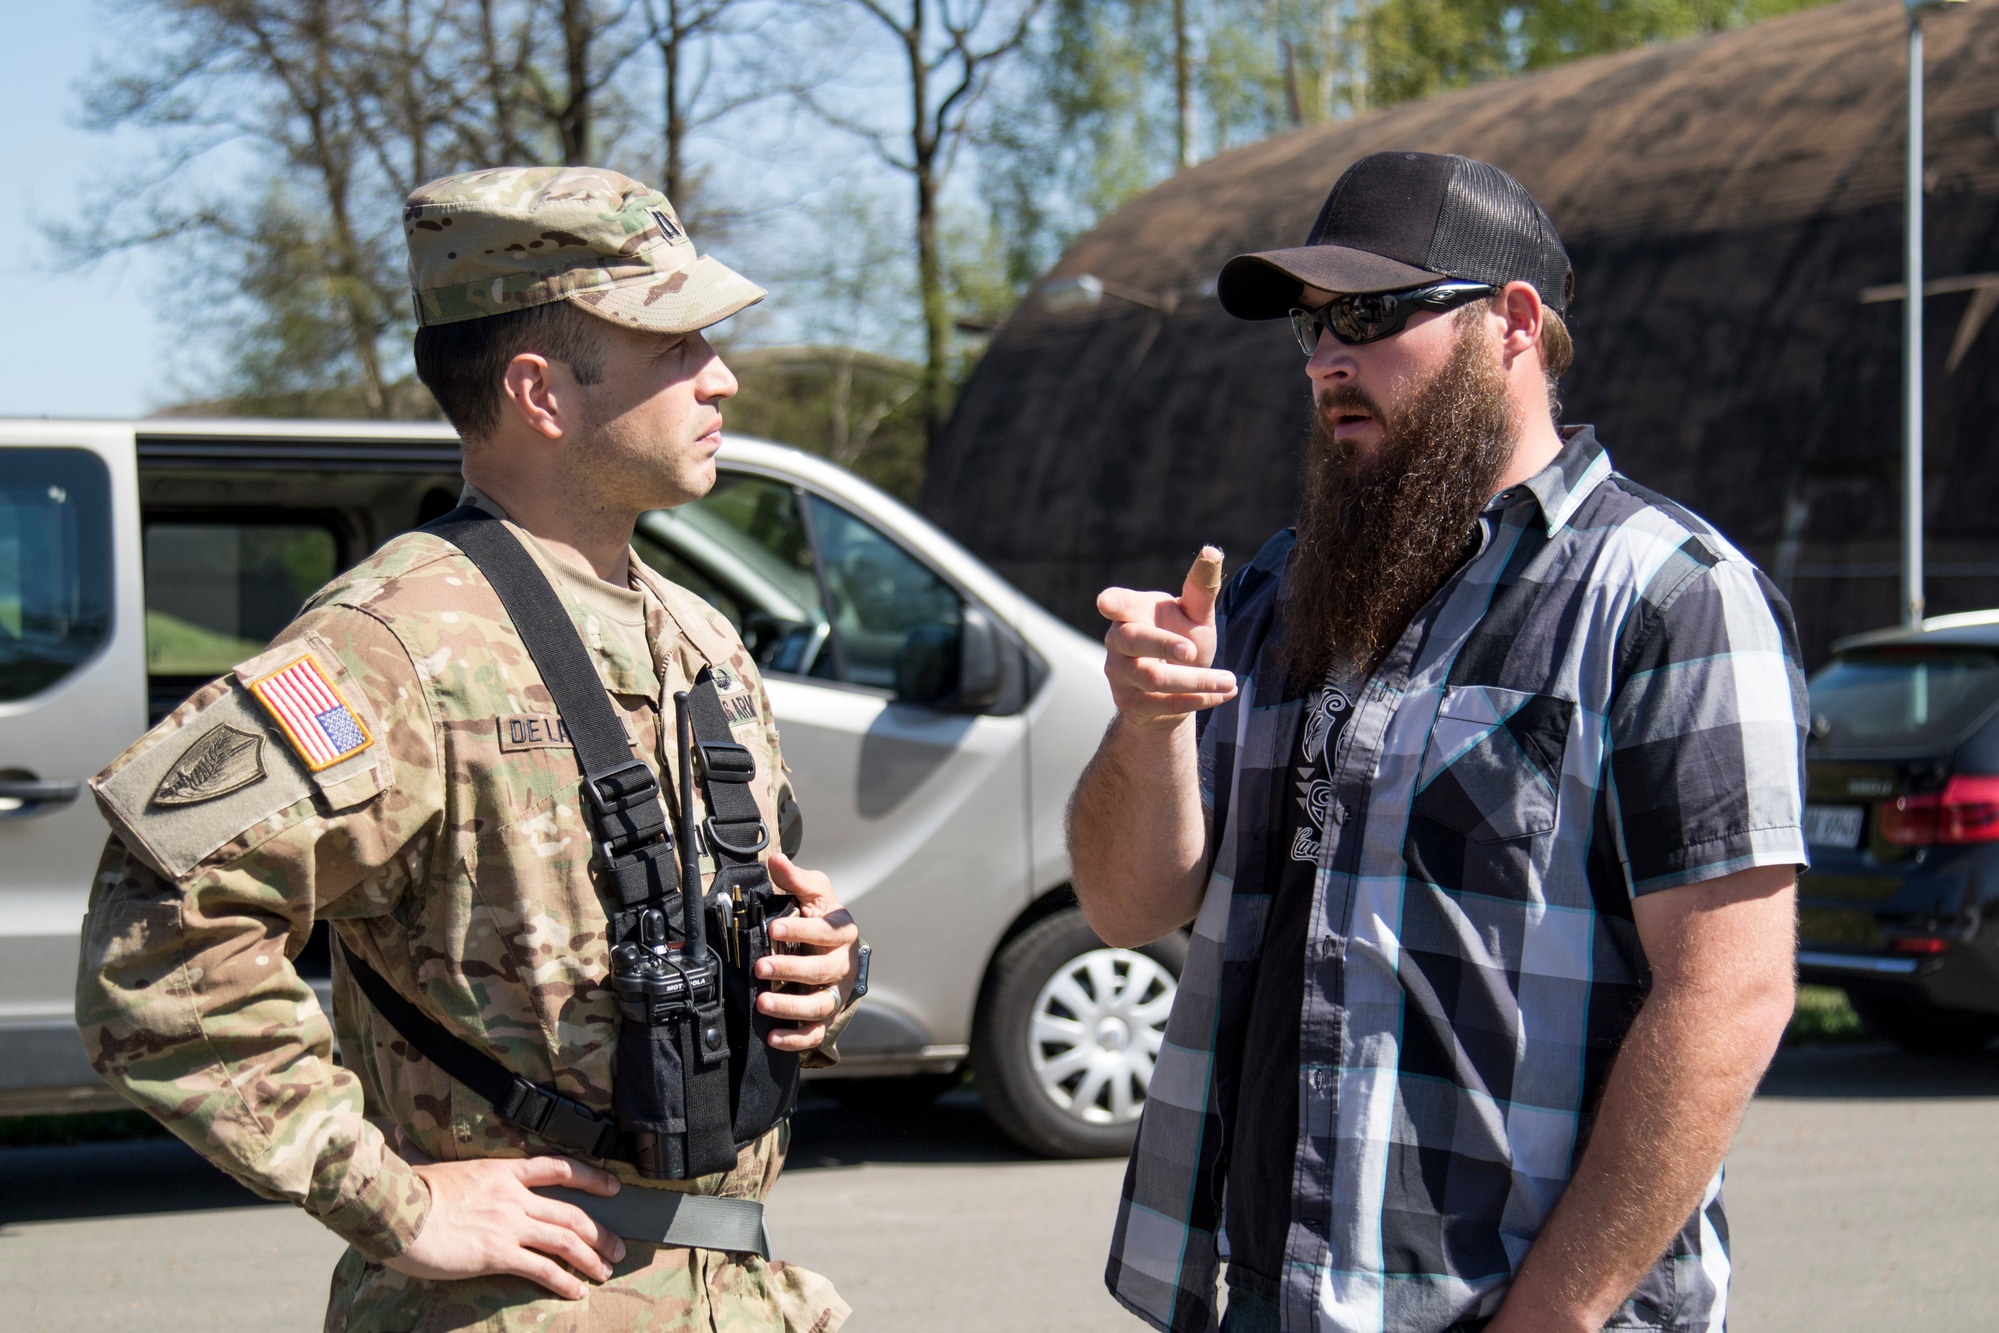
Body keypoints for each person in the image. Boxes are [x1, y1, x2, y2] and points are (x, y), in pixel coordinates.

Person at [75, 166, 863, 1333]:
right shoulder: (388, 646)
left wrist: (820, 970)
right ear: (540, 392)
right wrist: (391, 1203)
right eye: (672, 345)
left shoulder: (699, 639)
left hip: (742, 1294)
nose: (723, 376)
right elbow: (154, 946)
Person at [1071, 151, 1804, 1333]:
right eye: (1309, 327)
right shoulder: (1273, 593)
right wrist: (1147, 728)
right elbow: (1126, 907)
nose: (1324, 359)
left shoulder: (1669, 595)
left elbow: (1731, 993)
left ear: (1513, 322)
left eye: (1365, 313)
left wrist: (1549, 1319)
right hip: (1263, 1294)